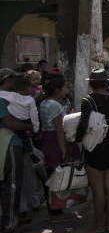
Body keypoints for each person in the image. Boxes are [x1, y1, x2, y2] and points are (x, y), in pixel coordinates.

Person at [76, 69, 109, 233]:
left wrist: (75, 141)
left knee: (98, 190)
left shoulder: (88, 101)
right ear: (107, 83)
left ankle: (98, 226)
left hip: (94, 146)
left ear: (91, 83)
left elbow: (83, 126)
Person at [0, 69, 34, 232]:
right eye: (13, 79)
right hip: (9, 142)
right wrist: (30, 126)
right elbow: (10, 123)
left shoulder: (11, 98)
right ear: (8, 80)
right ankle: (9, 222)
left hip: (9, 142)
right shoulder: (3, 98)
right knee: (12, 183)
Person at [39, 74, 69, 172]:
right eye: (64, 87)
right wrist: (64, 151)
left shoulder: (44, 102)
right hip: (55, 142)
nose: (66, 90)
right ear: (57, 90)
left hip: (47, 140)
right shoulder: (54, 105)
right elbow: (59, 130)